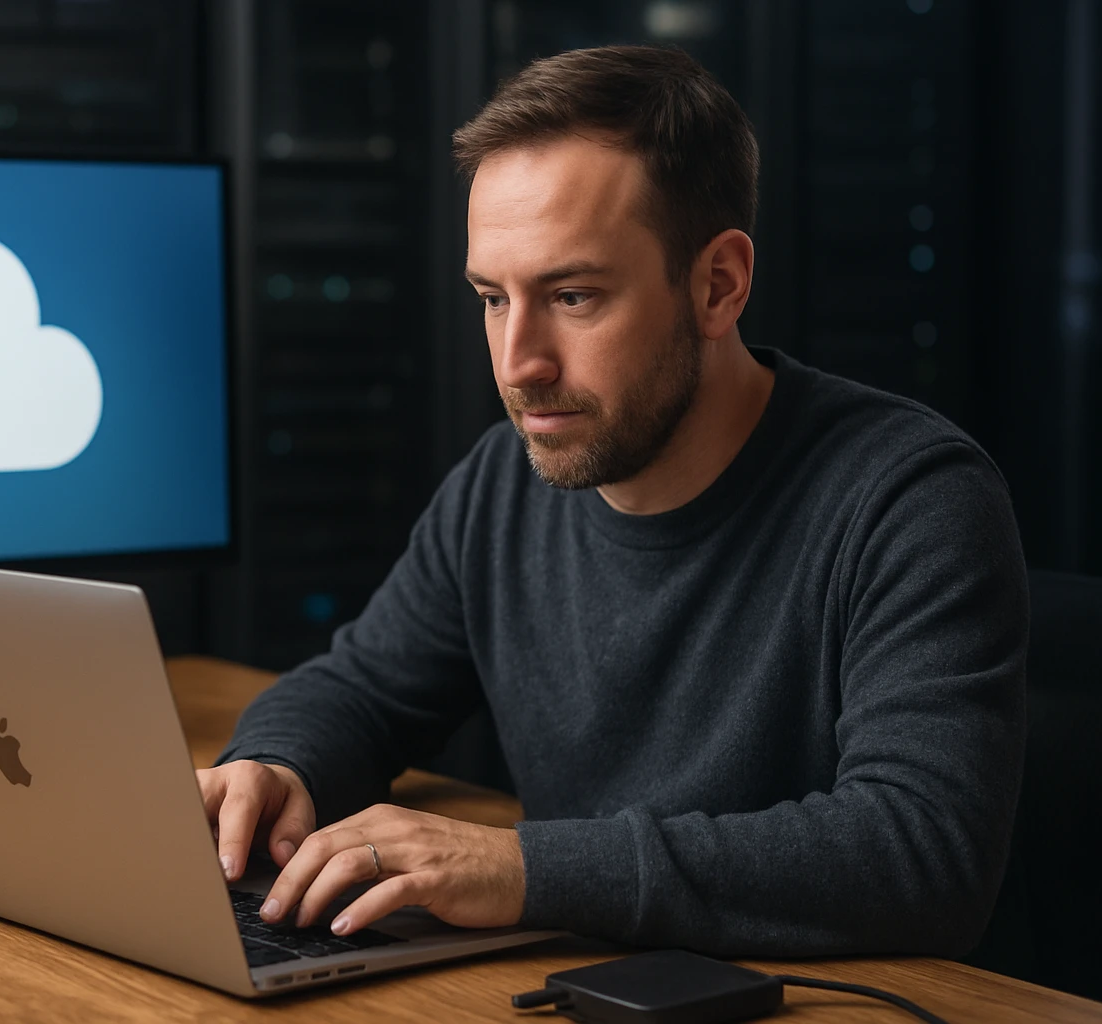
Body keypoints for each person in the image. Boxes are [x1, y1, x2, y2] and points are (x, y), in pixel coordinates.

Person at [199, 44, 1027, 957]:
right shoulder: (502, 483)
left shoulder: (911, 499)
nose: (520, 363)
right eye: (492, 298)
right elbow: (361, 688)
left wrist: (523, 870)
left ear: (719, 284)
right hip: (588, 980)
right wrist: (272, 766)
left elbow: (921, 852)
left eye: (573, 295)